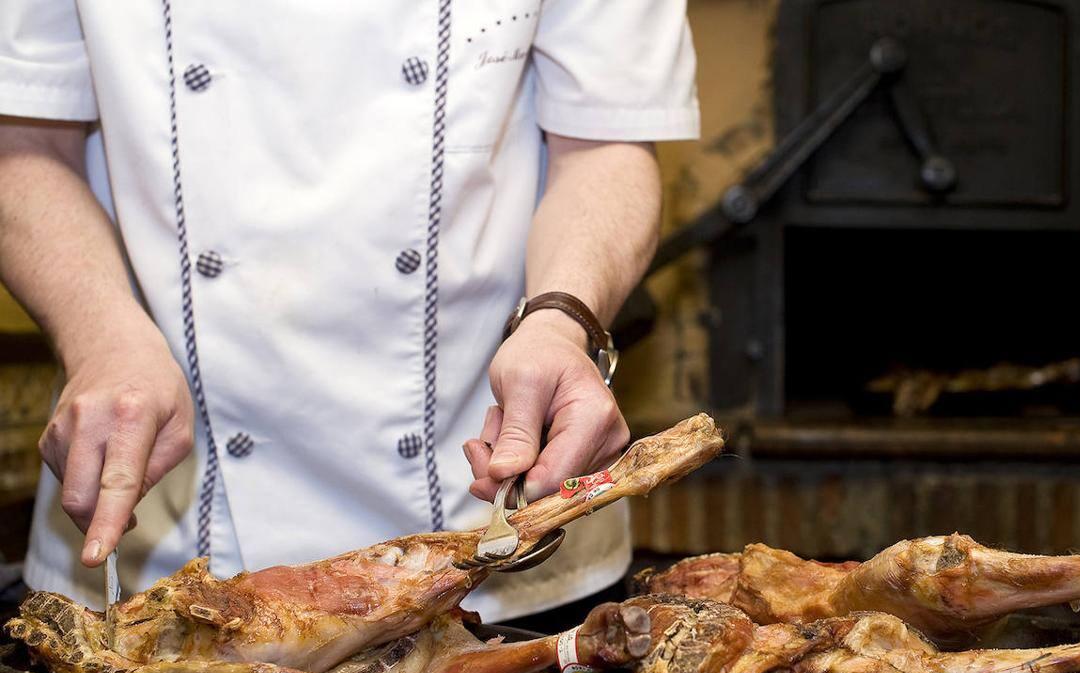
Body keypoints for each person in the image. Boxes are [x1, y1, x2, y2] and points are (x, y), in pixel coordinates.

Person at [0, 3, 699, 622]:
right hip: (168, 549)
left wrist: (559, 319)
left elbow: (606, 141)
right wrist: (101, 339)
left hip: (496, 545)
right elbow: (23, 142)